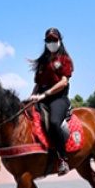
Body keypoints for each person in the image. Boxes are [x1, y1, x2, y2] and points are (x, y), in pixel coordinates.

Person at [27, 27, 74, 176]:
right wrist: (31, 96)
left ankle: (62, 159)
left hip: (58, 98)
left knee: (54, 122)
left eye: (54, 40)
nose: (51, 42)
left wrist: (45, 94)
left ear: (59, 41)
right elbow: (38, 84)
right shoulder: (42, 62)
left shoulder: (64, 60)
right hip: (40, 97)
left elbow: (64, 82)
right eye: (49, 40)